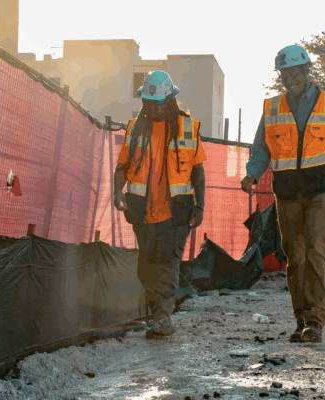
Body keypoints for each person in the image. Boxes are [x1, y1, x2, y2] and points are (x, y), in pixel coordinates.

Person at [241, 45, 325, 343]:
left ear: (306, 71)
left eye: (294, 73)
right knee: (294, 255)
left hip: (321, 190)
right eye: (284, 74)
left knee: (315, 248)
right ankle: (301, 319)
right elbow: (261, 148)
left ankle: (315, 321)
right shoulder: (272, 108)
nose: (289, 79)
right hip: (286, 193)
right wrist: (252, 173)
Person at [113, 70, 206, 338]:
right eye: (150, 103)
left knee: (168, 262)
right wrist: (118, 191)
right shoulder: (135, 127)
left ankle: (163, 317)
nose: (155, 108)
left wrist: (200, 207)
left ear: (171, 100)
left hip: (176, 211)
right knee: (148, 265)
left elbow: (198, 172)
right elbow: (122, 166)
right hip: (142, 210)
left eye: (160, 102)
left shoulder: (188, 127)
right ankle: (157, 313)